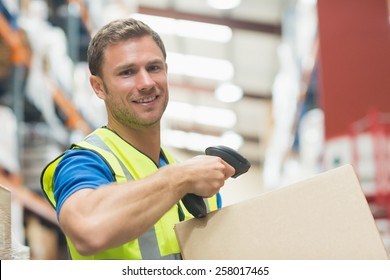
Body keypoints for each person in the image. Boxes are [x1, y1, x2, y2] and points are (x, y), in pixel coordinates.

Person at [40, 18, 235, 260]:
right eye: (127, 72)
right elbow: (87, 228)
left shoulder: (201, 183)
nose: (146, 83)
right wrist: (181, 178)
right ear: (98, 87)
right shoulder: (84, 161)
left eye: (154, 68)